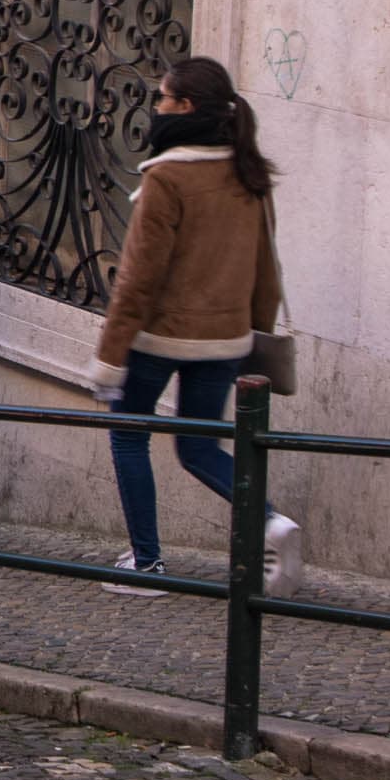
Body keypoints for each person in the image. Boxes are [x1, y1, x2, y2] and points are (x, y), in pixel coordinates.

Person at [85, 55, 305, 596]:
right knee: (199, 447)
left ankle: (147, 563)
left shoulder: (168, 176)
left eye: (161, 98)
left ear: (184, 107)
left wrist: (110, 357)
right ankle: (272, 522)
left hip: (161, 337)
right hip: (225, 340)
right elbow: (266, 273)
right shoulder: (247, 173)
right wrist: (252, 336)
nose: (156, 107)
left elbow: (137, 279)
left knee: (128, 434)